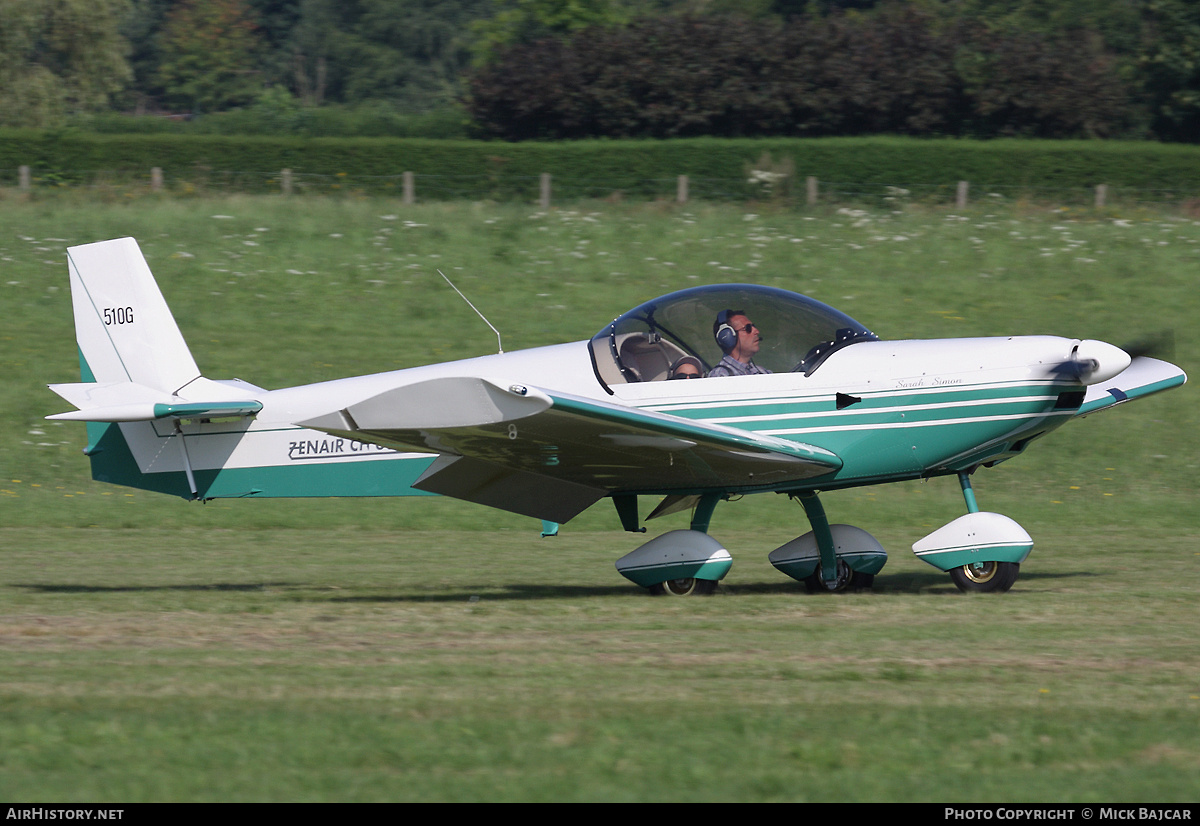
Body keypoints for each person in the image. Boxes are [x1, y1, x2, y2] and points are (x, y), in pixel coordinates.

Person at [708, 309, 771, 377]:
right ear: (728, 336)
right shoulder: (721, 375)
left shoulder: (762, 372)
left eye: (754, 326)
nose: (756, 331)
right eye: (748, 328)